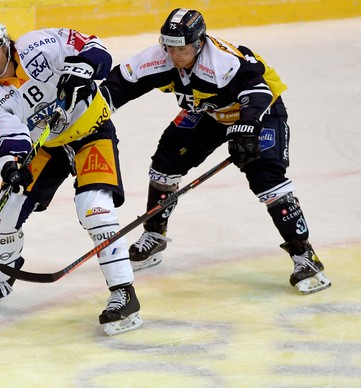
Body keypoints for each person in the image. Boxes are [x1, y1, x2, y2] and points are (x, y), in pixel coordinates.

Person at [99, 8, 331, 294]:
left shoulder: (222, 63)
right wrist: (92, 115)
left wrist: (246, 127)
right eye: (168, 47)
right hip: (208, 112)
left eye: (180, 49)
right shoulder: (160, 57)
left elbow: (258, 91)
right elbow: (118, 84)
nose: (172, 56)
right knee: (165, 163)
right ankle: (154, 235)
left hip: (258, 112)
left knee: (266, 179)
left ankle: (305, 256)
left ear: (198, 43)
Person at [0, 16, 142, 335]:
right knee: (4, 210)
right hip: (46, 147)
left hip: (91, 130)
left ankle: (123, 293)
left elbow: (95, 47)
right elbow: (9, 139)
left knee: (94, 208)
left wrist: (84, 68)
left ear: (5, 44)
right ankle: (0, 280)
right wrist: (11, 165)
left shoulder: (39, 44)